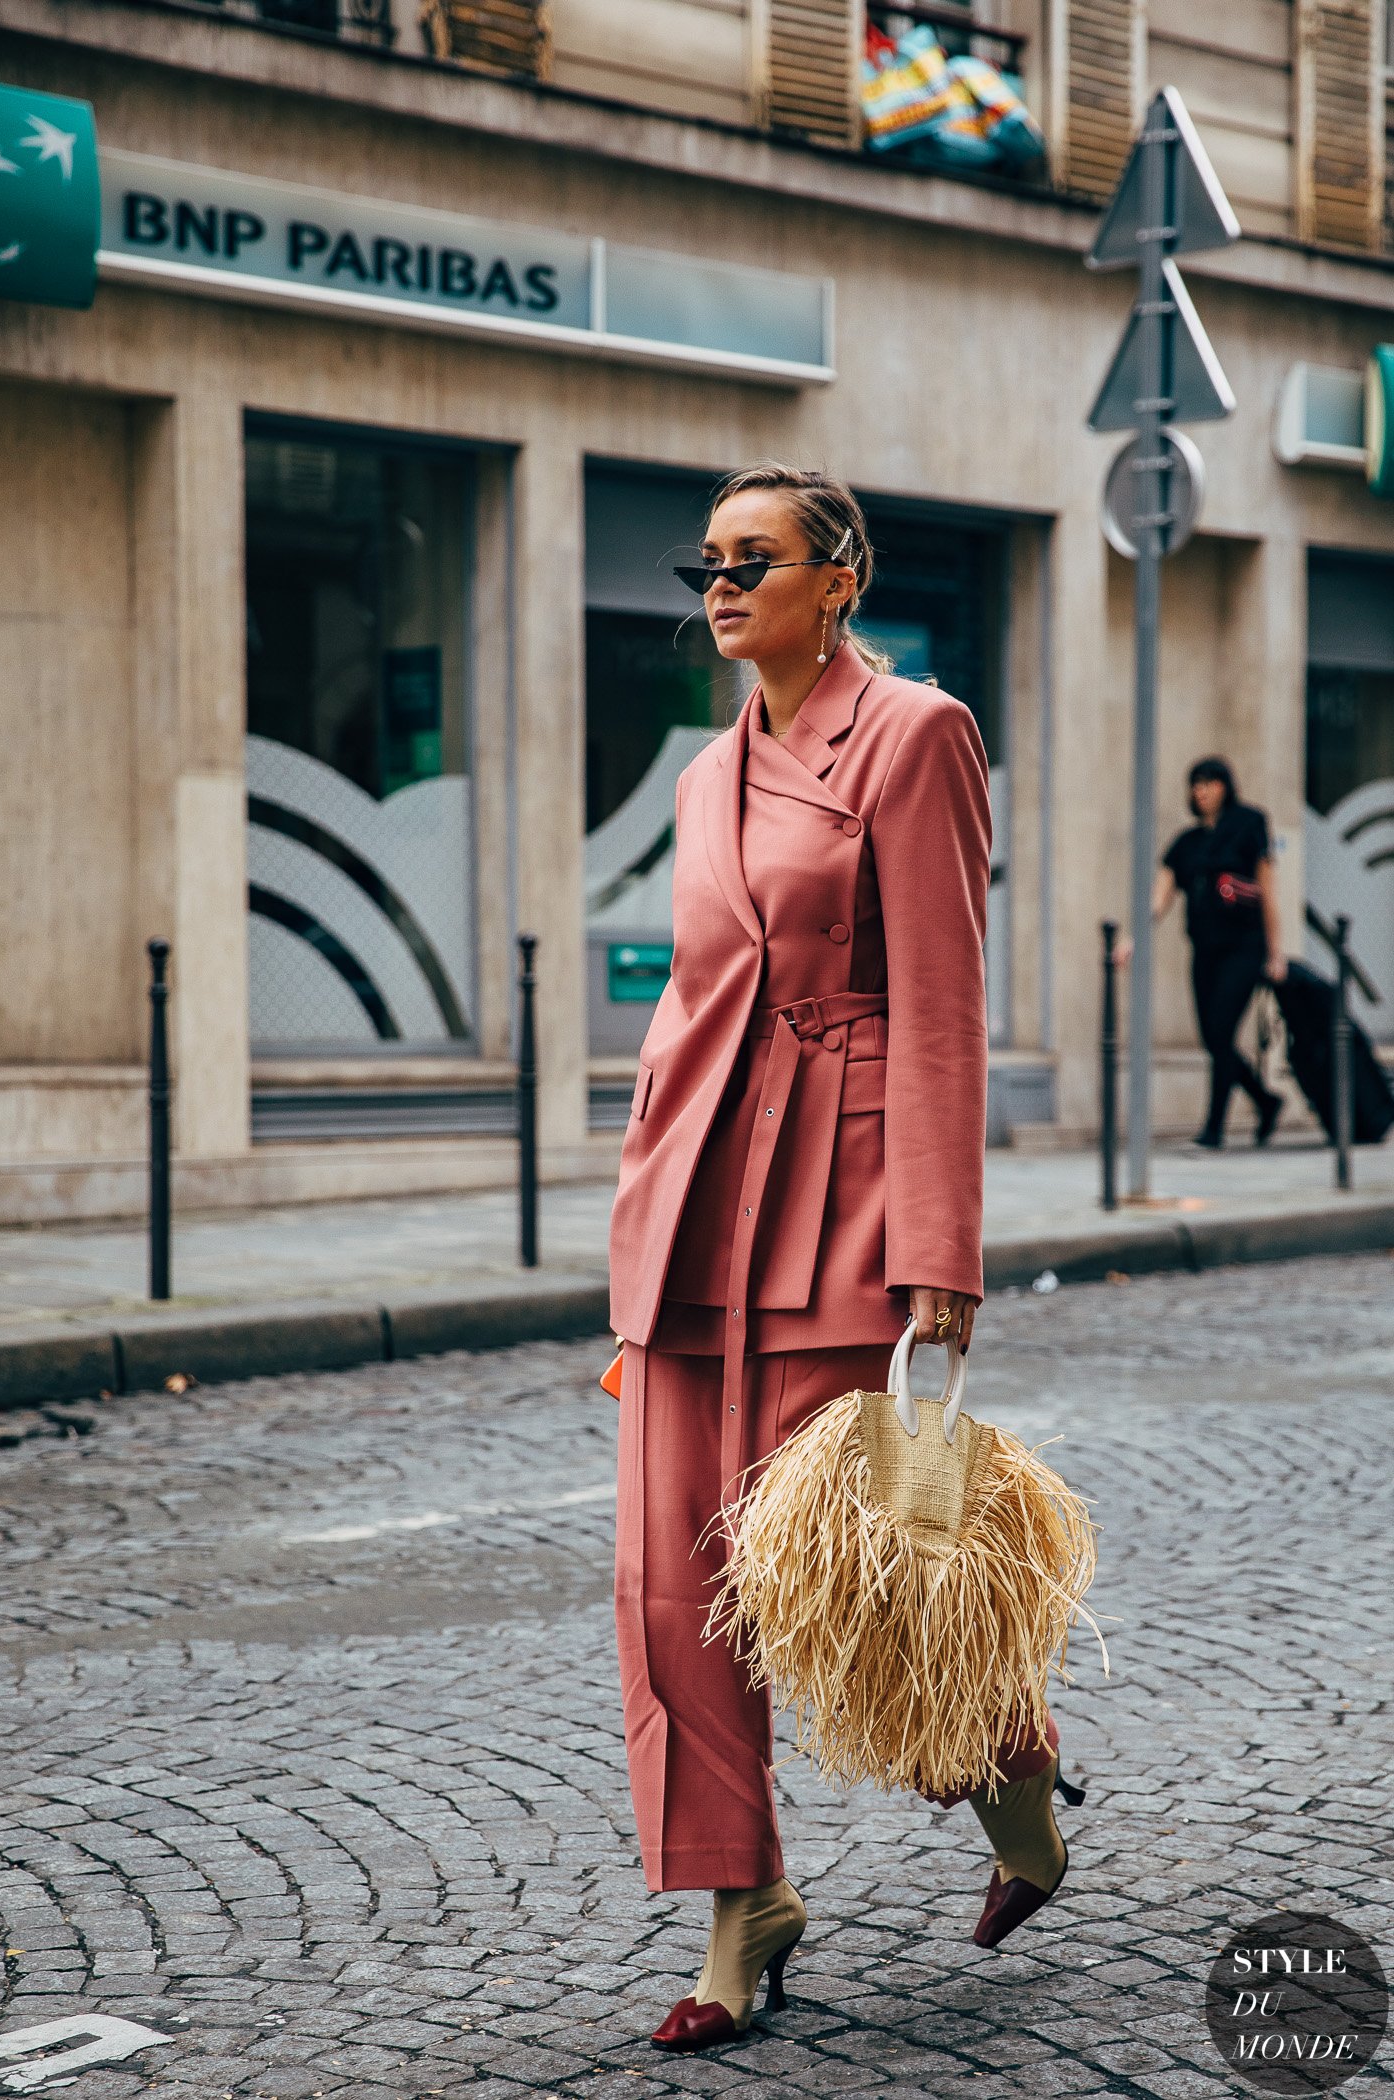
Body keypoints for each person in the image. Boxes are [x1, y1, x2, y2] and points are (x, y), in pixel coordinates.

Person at [605, 463, 1083, 2056]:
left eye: (757, 558)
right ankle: (746, 1909)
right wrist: (637, 1214)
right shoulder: (700, 777)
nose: (722, 582)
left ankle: (1017, 1805)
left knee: (879, 1573)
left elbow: (945, 995)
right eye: (709, 560)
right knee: (680, 1585)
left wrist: (941, 1243)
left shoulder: (917, 733)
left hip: (848, 1203)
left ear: (839, 581)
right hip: (696, 1214)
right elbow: (690, 1010)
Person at [1118, 757, 1286, 1148]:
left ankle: (1214, 1130)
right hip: (1205, 951)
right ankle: (1266, 1100)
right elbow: (1157, 900)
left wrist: (1275, 953)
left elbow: (1268, 894)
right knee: (1214, 1039)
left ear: (1225, 785)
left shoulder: (1249, 824)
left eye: (1209, 783)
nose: (1202, 791)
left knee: (1222, 1031)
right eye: (1196, 784)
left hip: (1245, 949)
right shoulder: (1186, 844)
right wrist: (1134, 938)